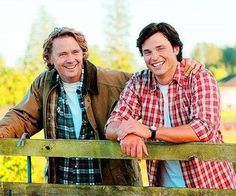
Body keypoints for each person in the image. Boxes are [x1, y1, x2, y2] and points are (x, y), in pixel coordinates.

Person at [0, 27, 201, 185]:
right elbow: (23, 117)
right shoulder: (44, 84)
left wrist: (181, 64)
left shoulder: (112, 80)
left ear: (83, 53)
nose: (70, 59)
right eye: (62, 54)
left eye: (75, 52)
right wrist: (2, 131)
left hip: (109, 183)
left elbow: (153, 79)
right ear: (50, 59)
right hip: (63, 182)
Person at [105, 22, 236, 189]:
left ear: (176, 49)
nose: (154, 57)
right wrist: (128, 133)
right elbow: (111, 125)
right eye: (147, 52)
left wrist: (150, 131)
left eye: (161, 49)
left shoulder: (198, 77)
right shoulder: (139, 81)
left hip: (210, 185)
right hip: (164, 188)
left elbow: (204, 128)